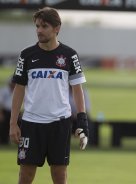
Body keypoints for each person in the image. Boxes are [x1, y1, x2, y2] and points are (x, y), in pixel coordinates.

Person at [9, 7, 89, 184]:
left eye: (44, 26)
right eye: (37, 26)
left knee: (59, 175)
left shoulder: (70, 55)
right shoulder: (26, 55)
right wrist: (13, 123)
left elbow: (77, 89)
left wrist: (82, 121)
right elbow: (19, 89)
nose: (39, 30)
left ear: (56, 28)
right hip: (31, 124)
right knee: (25, 175)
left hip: (59, 124)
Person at [0, 78, 15, 145]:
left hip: (15, 112)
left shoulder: (17, 90)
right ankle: (4, 141)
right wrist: (1, 113)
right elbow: (1, 102)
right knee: (4, 126)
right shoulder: (4, 90)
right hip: (5, 111)